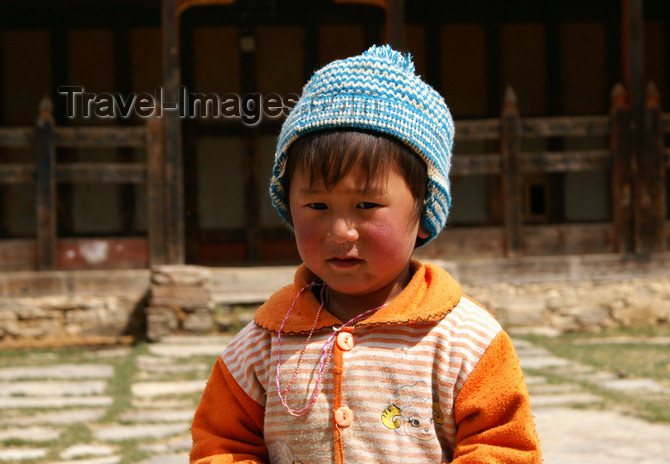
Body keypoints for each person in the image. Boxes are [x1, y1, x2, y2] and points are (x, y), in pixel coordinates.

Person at [190, 44, 542, 464]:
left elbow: (504, 448)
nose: (340, 231)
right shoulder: (262, 344)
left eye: (367, 206)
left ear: (424, 209)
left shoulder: (466, 342)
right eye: (317, 206)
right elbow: (222, 446)